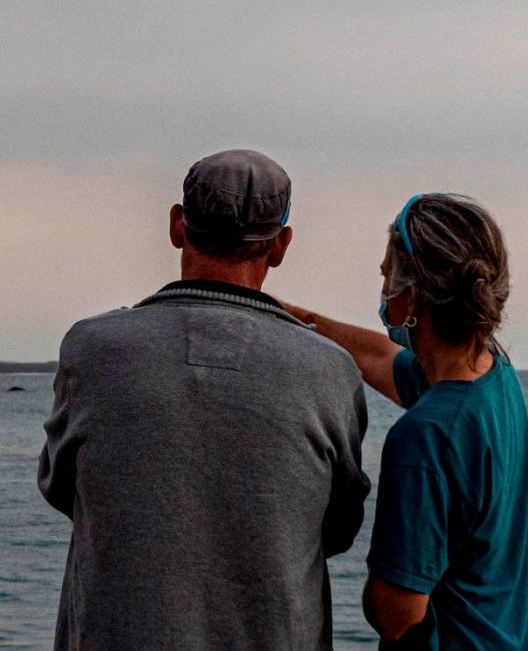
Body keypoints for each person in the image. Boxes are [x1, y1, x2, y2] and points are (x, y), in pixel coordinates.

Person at [38, 149, 370, 650]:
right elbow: (338, 528)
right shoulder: (330, 370)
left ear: (176, 225)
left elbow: (63, 488)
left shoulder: (91, 349)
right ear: (280, 245)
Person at [285, 194, 528, 649]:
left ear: (412, 297)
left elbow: (396, 613)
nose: (383, 288)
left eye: (388, 277)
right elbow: (379, 356)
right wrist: (285, 315)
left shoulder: (425, 437)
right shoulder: (494, 377)